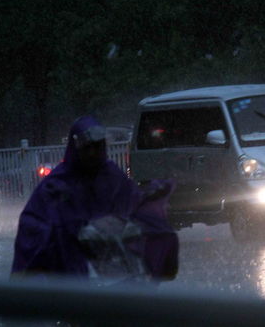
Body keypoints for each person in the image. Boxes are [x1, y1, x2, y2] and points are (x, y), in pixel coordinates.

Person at [11, 115, 178, 281]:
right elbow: (33, 228)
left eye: (97, 147)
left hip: (112, 273)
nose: (92, 153)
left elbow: (132, 205)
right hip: (66, 276)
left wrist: (151, 198)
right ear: (75, 148)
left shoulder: (111, 176)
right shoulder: (57, 185)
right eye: (87, 147)